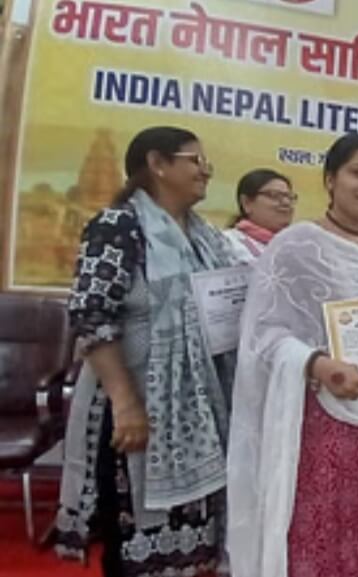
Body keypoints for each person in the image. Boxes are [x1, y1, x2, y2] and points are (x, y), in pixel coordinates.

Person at [228, 135, 358, 577]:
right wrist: (318, 363)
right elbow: (263, 333)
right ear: (330, 180)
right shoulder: (296, 245)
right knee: (317, 533)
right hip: (322, 421)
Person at [54, 126, 236, 576]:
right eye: (195, 160)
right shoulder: (118, 227)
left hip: (195, 413)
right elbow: (91, 314)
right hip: (135, 413)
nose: (206, 171)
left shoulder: (205, 237)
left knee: (195, 545)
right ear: (157, 164)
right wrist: (126, 403)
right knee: (135, 538)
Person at [222, 168, 296, 263]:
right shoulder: (226, 243)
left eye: (290, 197)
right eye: (274, 195)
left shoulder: (297, 248)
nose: (286, 202)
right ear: (246, 203)